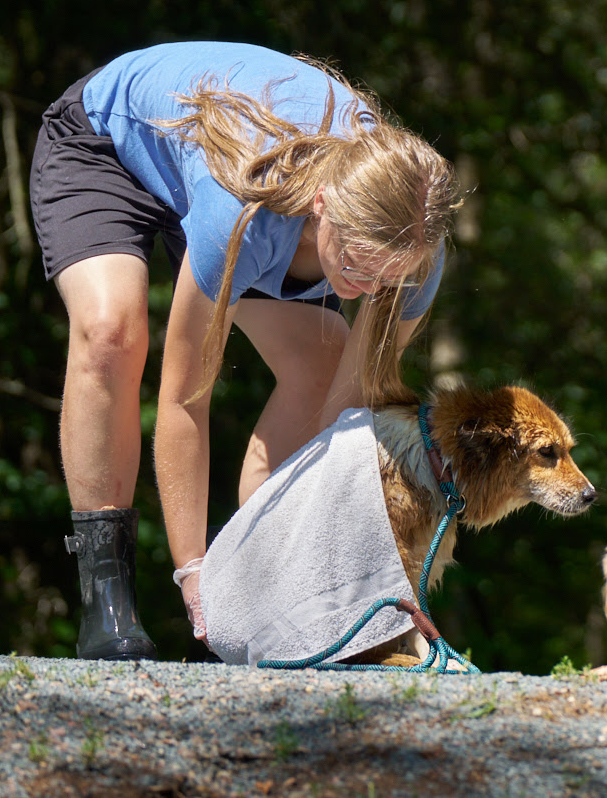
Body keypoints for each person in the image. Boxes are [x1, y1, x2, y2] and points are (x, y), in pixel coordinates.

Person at [29, 41, 459, 659]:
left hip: (221, 184)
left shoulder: (417, 240)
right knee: (112, 333)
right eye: (356, 267)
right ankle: (107, 595)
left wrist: (362, 575)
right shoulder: (245, 216)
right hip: (107, 144)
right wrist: (194, 572)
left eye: (388, 278)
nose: (368, 290)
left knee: (327, 360)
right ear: (323, 209)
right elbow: (184, 400)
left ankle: (275, 579)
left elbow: (350, 413)